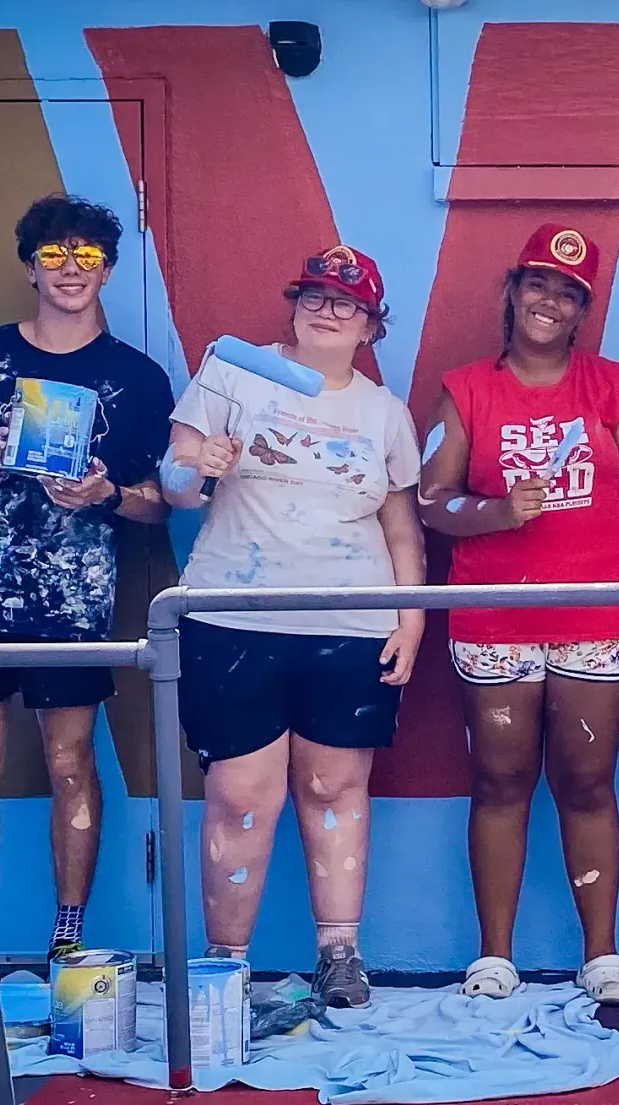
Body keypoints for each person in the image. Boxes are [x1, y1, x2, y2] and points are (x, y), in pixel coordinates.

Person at [0, 194, 173, 1010]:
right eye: (55, 255)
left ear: (107, 270)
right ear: (30, 266)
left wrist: (102, 493)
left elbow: (160, 502)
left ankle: (67, 940)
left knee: (69, 764)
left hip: (72, 603)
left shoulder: (136, 377)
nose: (69, 270)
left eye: (87, 256)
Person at [160, 246, 423, 1009]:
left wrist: (411, 621)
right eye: (314, 294)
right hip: (232, 618)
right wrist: (200, 462)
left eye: (347, 302)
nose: (327, 309)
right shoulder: (231, 373)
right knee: (240, 795)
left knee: (334, 786)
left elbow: (403, 529)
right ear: (294, 303)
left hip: (350, 623)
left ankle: (340, 952)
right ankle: (225, 966)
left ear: (371, 324)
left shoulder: (383, 411)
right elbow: (175, 484)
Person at [419, 224, 619, 1005]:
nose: (549, 301)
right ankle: (494, 956)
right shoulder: (465, 390)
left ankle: (602, 955)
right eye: (537, 284)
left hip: (599, 617)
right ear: (513, 290)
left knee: (589, 779)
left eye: (567, 292)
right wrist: (495, 511)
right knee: (498, 779)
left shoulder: (616, 390)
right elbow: (433, 501)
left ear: (582, 308)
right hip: (492, 620)